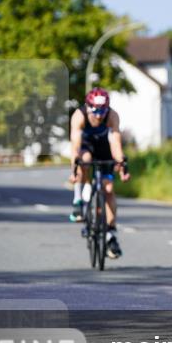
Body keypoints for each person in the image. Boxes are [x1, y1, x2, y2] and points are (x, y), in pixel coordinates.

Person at [69, 88, 131, 258]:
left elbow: (116, 144)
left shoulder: (112, 116)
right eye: (95, 110)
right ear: (88, 107)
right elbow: (75, 146)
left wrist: (121, 164)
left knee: (109, 189)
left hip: (104, 147)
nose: (99, 115)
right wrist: (74, 169)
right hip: (86, 145)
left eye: (102, 110)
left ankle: (111, 235)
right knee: (85, 160)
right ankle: (78, 200)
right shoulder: (79, 116)